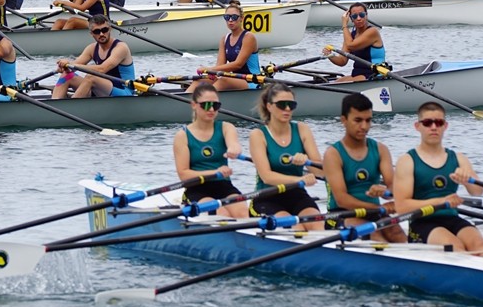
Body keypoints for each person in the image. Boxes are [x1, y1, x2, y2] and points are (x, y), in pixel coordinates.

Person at [393, 102, 483, 256]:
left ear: (445, 126)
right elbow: (401, 207)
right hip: (422, 223)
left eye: (438, 122)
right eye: (427, 123)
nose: (433, 127)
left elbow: (478, 193)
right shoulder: (407, 161)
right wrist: (441, 201)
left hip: (452, 218)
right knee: (455, 248)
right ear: (417, 126)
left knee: (481, 246)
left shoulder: (459, 159)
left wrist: (467, 180)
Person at [323, 92, 406, 242]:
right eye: (358, 120)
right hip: (341, 214)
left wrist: (387, 192)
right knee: (375, 237)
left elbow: (394, 186)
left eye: (368, 120)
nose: (364, 126)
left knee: (398, 235)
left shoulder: (380, 149)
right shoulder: (333, 154)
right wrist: (377, 208)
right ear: (344, 120)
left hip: (374, 211)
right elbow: (341, 199)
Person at [250, 83, 325, 230]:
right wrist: (299, 180)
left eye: (291, 105)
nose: (287, 109)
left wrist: (308, 162)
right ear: (269, 106)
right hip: (267, 196)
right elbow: (267, 176)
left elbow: (320, 172)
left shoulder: (302, 130)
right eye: (282, 105)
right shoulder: (258, 135)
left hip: (296, 195)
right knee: (293, 226)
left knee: (318, 225)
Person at [173, 81, 249, 219]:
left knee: (243, 213)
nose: (212, 110)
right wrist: (214, 172)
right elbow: (183, 174)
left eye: (216, 105)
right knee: (222, 214)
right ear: (194, 105)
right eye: (206, 105)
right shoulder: (182, 136)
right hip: (196, 189)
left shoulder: (226, 127)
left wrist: (234, 149)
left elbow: (234, 144)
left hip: (223, 186)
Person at [52, 14, 136, 99]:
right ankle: (54, 105)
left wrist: (72, 65)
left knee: (91, 77)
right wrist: (65, 66)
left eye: (104, 30)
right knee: (67, 74)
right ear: (91, 33)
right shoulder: (92, 48)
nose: (101, 34)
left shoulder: (120, 47)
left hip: (123, 92)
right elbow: (74, 65)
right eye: (97, 31)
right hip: (102, 89)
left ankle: (74, 106)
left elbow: (102, 69)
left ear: (110, 29)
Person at [199, 0, 260, 92]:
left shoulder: (248, 37)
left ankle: (206, 99)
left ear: (241, 18)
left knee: (223, 80)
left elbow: (238, 65)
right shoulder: (224, 39)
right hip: (235, 79)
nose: (230, 20)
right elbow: (220, 66)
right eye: (227, 17)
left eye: (234, 17)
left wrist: (209, 69)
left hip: (252, 80)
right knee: (200, 80)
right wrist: (210, 73)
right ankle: (189, 101)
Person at [323, 3, 384, 82]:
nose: (359, 18)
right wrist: (330, 55)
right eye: (355, 16)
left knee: (340, 85)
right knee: (336, 82)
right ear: (351, 18)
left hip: (374, 74)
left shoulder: (373, 32)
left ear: (366, 15)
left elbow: (351, 46)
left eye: (362, 15)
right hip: (358, 74)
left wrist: (344, 25)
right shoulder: (351, 36)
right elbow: (342, 61)